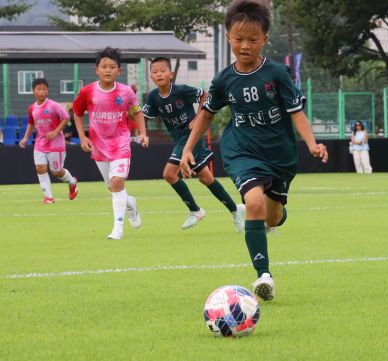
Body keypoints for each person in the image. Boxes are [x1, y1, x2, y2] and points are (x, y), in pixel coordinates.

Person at [180, 0, 328, 301]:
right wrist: (187, 149)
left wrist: (312, 144)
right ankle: (264, 276)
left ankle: (276, 216)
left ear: (264, 39)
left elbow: (296, 113)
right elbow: (206, 115)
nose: (245, 45)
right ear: (228, 37)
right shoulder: (224, 79)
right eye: (238, 39)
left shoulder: (277, 74)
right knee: (254, 203)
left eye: (252, 39)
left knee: (271, 217)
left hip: (280, 155)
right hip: (242, 151)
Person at [142, 57, 245, 231]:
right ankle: (235, 210)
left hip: (191, 137)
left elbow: (205, 95)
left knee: (169, 174)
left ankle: (195, 210)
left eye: (162, 71)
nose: (159, 74)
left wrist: (198, 118)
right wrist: (140, 130)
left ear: (171, 74)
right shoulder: (153, 97)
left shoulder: (181, 90)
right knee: (206, 178)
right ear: (151, 76)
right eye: (155, 72)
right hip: (179, 139)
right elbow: (143, 115)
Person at [72, 47, 149, 240]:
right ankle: (130, 203)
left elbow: (137, 112)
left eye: (112, 67)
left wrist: (143, 133)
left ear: (119, 71)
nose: (108, 70)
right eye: (104, 66)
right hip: (99, 147)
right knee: (113, 187)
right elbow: (77, 113)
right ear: (96, 69)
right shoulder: (87, 91)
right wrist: (82, 137)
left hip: (120, 144)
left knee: (117, 182)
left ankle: (118, 229)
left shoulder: (126, 92)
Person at [19, 78, 79, 204]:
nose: (42, 92)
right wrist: (25, 138)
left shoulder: (53, 105)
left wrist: (56, 132)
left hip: (56, 144)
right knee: (40, 168)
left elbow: (65, 118)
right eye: (39, 89)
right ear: (33, 91)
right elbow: (31, 123)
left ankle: (72, 182)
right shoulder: (32, 108)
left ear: (47, 90)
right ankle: (48, 197)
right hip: (40, 143)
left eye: (44, 89)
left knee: (57, 172)